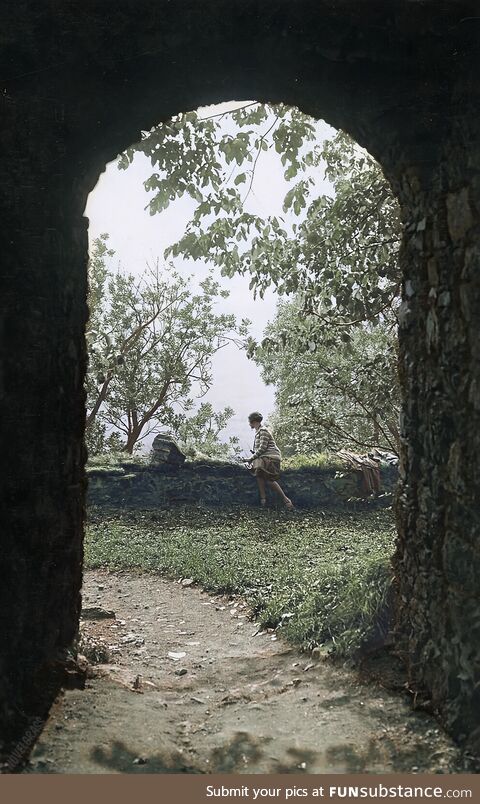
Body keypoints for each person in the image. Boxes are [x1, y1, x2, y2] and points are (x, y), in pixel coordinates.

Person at [240, 412, 293, 509]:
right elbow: (260, 449)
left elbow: (262, 448)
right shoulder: (259, 432)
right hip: (265, 457)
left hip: (271, 457)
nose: (249, 424)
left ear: (253, 421)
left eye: (249, 422)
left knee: (268, 479)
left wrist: (250, 458)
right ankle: (263, 501)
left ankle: (286, 500)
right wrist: (253, 457)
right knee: (259, 474)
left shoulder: (263, 431)